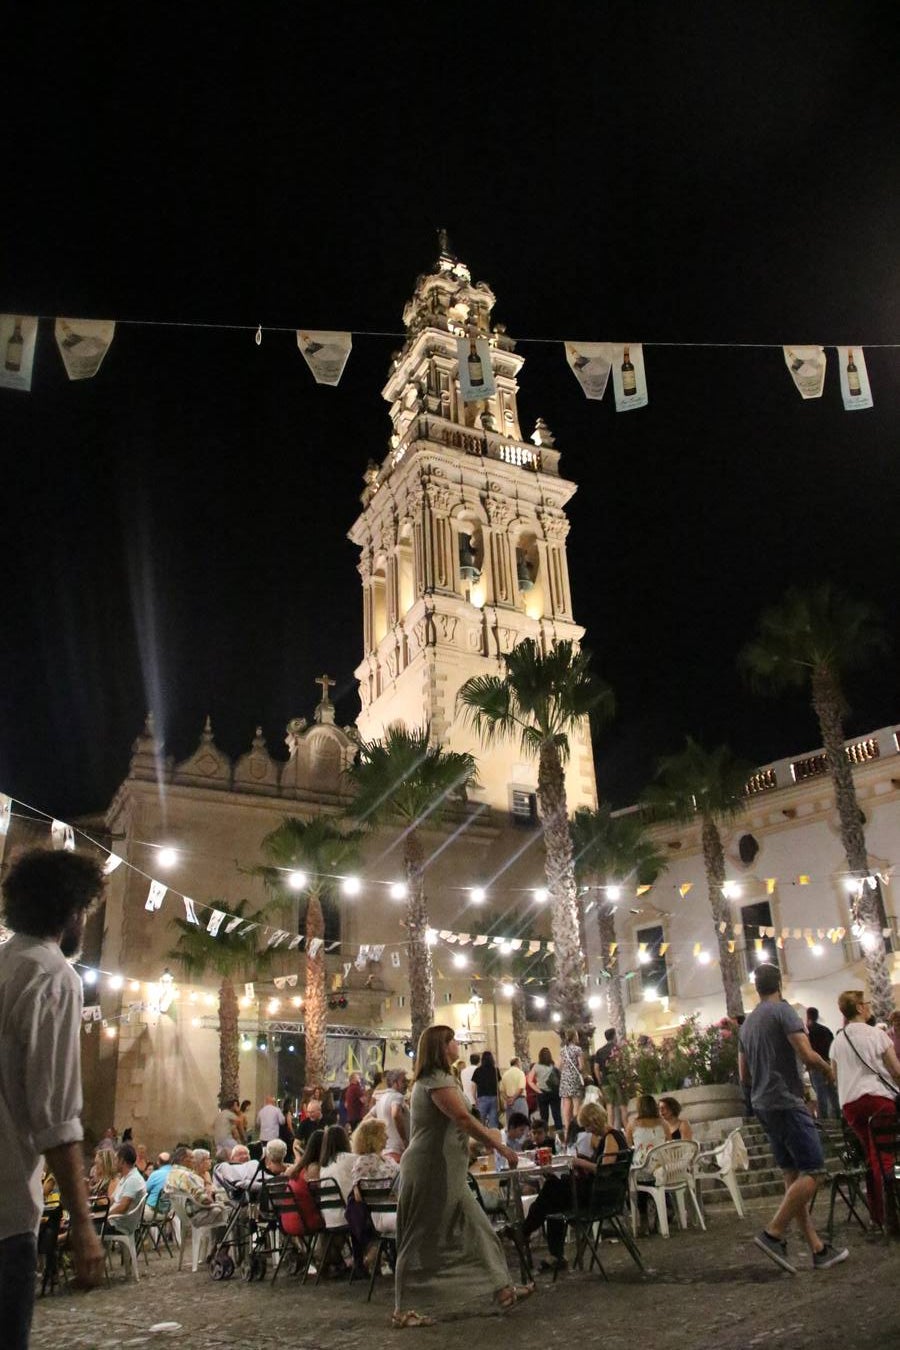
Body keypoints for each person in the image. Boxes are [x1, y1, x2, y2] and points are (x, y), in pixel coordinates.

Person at [0, 848, 106, 1345]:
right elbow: (57, 1114)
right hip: (6, 1214)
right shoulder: (52, 976)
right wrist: (82, 1224)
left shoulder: (4, 965)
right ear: (70, 911)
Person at [393, 1024, 532, 1327]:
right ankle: (402, 1309)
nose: (457, 1044)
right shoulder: (433, 1081)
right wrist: (499, 1146)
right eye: (452, 1040)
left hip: (449, 1170)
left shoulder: (445, 1079)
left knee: (480, 1226)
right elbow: (462, 1118)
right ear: (441, 1048)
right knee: (417, 1235)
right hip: (431, 1169)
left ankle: (502, 1288)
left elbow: (455, 1126)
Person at [739, 962, 847, 1272]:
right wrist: (828, 1071)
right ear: (780, 984)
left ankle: (818, 1248)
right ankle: (773, 1232)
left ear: (757, 988)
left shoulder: (747, 1024)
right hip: (786, 1100)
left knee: (792, 1174)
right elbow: (805, 1052)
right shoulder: (783, 1011)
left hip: (762, 1104)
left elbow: (744, 1074)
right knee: (814, 1170)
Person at [517, 1101, 625, 1272]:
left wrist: (579, 1162)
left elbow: (605, 1170)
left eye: (588, 1126)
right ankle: (552, 1253)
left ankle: (525, 1232)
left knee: (552, 1189)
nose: (587, 1130)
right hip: (603, 1192)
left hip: (601, 1196)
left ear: (595, 1121)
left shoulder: (611, 1137)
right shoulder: (613, 1136)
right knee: (553, 1198)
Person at [830, 989, 900, 1233]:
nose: (869, 1006)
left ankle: (876, 1216)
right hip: (878, 1101)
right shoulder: (876, 1034)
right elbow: (896, 1071)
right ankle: (892, 1216)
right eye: (866, 1003)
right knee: (887, 1158)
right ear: (859, 1008)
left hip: (851, 1105)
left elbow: (835, 1075)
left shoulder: (838, 1040)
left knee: (873, 1157)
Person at [806, 1008, 840, 1119]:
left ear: (808, 1016)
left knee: (821, 1095)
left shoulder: (807, 1032)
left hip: (815, 1066)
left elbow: (807, 1050)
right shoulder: (826, 1030)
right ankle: (838, 1118)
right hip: (828, 1063)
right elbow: (832, 1047)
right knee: (833, 1093)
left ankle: (824, 1121)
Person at [105, 1144, 147, 1235]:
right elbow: (112, 1199)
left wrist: (105, 1215)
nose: (114, 1163)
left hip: (118, 1225)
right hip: (114, 1221)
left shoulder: (133, 1180)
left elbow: (123, 1207)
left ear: (122, 1161)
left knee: (83, 1228)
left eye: (116, 1159)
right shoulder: (126, 1178)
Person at [372, 1069, 409, 1162]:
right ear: (394, 1083)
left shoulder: (381, 1099)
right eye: (403, 1081)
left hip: (385, 1149)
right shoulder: (397, 1096)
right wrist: (404, 1139)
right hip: (398, 1149)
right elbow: (395, 1114)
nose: (406, 1084)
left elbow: (367, 1118)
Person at [558, 1029, 585, 1133]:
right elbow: (581, 1066)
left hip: (565, 1078)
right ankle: (576, 1126)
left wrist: (566, 1071)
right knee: (576, 1103)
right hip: (574, 1077)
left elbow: (559, 1065)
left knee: (566, 1104)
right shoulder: (577, 1049)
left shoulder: (562, 1050)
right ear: (574, 1037)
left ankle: (567, 1127)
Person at [532, 1046, 562, 1129]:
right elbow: (560, 1076)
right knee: (557, 1115)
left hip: (542, 1093)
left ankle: (544, 1136)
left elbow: (529, 1080)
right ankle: (559, 1135)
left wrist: (537, 1089)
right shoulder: (554, 1064)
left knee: (544, 1117)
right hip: (554, 1092)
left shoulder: (536, 1066)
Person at [472, 1049, 500, 1128]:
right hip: (494, 1097)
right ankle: (494, 1138)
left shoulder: (477, 1070)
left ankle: (481, 1139)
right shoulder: (495, 1070)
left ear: (482, 1059)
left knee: (480, 1122)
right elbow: (499, 1086)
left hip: (482, 1098)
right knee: (493, 1122)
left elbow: (473, 1086)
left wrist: (475, 1098)